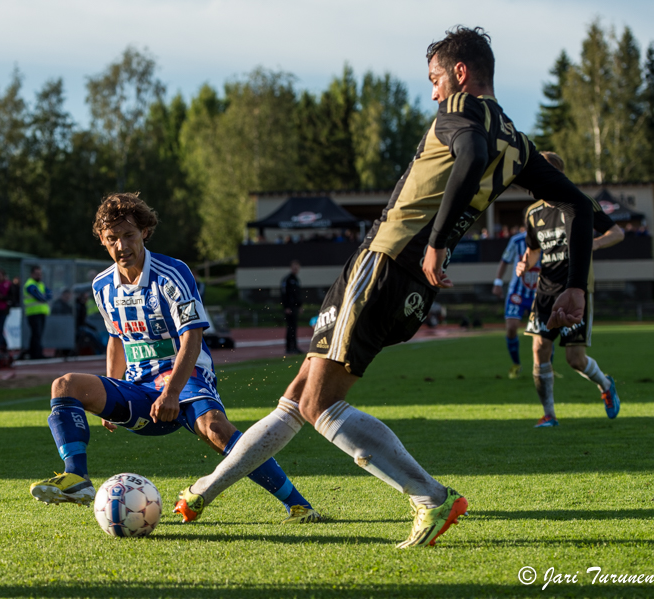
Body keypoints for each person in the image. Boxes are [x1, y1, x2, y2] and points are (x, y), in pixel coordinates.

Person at [172, 26, 597, 548]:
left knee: (318, 405)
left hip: (387, 261)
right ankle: (204, 492)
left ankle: (429, 496)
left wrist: (437, 241)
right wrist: (575, 286)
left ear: (460, 73)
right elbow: (580, 205)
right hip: (395, 275)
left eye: (436, 78)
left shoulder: (463, 111)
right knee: (299, 395)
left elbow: (469, 152)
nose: (434, 91)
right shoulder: (517, 141)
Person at [29, 193, 320, 524]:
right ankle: (76, 478)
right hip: (138, 388)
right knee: (65, 386)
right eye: (112, 239)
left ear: (145, 233)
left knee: (216, 430)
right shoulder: (102, 285)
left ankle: (298, 505)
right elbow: (115, 339)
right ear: (102, 241)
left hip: (185, 377)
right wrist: (112, 384)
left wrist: (171, 392)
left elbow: (192, 337)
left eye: (129, 235)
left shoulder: (172, 273)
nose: (121, 245)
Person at [516, 151, 624, 428]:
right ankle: (549, 414)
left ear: (558, 175)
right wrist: (523, 265)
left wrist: (594, 244)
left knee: (575, 359)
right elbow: (532, 251)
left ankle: (605, 384)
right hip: (545, 290)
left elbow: (617, 233)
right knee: (539, 348)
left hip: (576, 288)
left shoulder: (579, 202)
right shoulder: (533, 212)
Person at [492, 214, 540, 378]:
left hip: (539, 293)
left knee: (543, 334)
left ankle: (545, 367)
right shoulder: (517, 241)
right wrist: (498, 282)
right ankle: (516, 364)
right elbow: (504, 261)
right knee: (511, 328)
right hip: (517, 293)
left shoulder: (546, 241)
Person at [23, 265, 51, 360]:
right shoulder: (30, 284)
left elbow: (49, 294)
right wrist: (44, 297)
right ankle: (35, 354)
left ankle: (36, 353)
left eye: (40, 274)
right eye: (37, 274)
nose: (39, 276)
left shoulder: (41, 284)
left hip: (41, 313)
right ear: (32, 274)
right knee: (36, 334)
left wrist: (44, 296)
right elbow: (40, 296)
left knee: (38, 334)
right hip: (33, 313)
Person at [280, 260, 303, 354]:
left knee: (294, 327)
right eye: (294, 267)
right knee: (290, 327)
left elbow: (298, 295)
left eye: (297, 267)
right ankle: (290, 347)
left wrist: (300, 306)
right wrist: (286, 307)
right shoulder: (287, 279)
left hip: (295, 307)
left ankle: (294, 346)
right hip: (290, 307)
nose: (295, 269)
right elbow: (284, 294)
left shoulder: (296, 280)